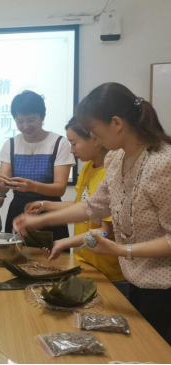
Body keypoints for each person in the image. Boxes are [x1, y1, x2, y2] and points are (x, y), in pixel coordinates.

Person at [14, 83, 171, 344]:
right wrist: (40, 219)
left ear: (116, 123)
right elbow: (91, 207)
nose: (93, 137)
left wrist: (121, 249)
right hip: (136, 279)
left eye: (93, 129)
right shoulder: (116, 159)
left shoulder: (163, 163)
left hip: (164, 288)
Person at [25, 117, 126, 286]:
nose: (71, 150)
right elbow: (82, 205)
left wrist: (65, 242)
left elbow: (106, 231)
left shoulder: (112, 174)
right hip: (84, 262)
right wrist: (44, 205)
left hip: (108, 271)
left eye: (73, 143)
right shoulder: (88, 167)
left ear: (95, 139)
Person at [0, 90, 75, 242]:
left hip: (50, 211)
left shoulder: (59, 143)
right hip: (18, 211)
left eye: (31, 120)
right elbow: (4, 188)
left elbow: (60, 189)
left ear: (42, 116)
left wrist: (33, 186)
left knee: (54, 255)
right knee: (15, 253)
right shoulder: (11, 144)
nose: (26, 126)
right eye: (20, 121)